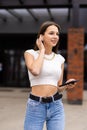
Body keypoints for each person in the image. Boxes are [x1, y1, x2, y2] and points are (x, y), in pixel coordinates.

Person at [24, 21, 76, 130]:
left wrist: (66, 85)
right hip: (35, 106)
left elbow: (58, 87)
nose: (55, 36)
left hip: (56, 106)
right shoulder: (30, 53)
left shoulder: (60, 59)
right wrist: (42, 50)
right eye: (51, 33)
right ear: (41, 36)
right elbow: (35, 70)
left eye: (57, 34)